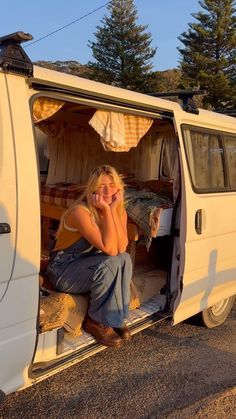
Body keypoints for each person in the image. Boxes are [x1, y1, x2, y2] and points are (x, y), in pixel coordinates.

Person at [46, 165, 133, 348]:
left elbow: (121, 247)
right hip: (63, 270)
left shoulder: (119, 211)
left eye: (111, 184)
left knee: (124, 258)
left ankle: (115, 316)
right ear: (92, 190)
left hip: (87, 265)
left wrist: (113, 210)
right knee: (110, 262)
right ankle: (95, 321)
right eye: (102, 186)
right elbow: (109, 249)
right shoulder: (81, 212)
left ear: (118, 187)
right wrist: (107, 210)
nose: (108, 190)